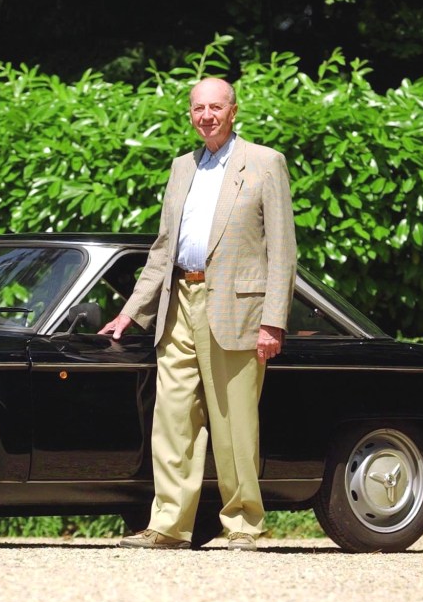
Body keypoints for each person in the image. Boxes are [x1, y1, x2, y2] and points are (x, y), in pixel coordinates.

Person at [99, 77, 297, 551]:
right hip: (178, 303)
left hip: (236, 309)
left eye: (215, 107)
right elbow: (162, 249)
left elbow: (283, 250)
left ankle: (243, 525)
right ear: (190, 114)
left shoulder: (265, 162)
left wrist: (273, 320)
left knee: (234, 425)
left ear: (233, 111)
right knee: (172, 421)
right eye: (198, 108)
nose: (206, 116)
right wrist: (130, 312)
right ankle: (169, 525)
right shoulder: (182, 166)